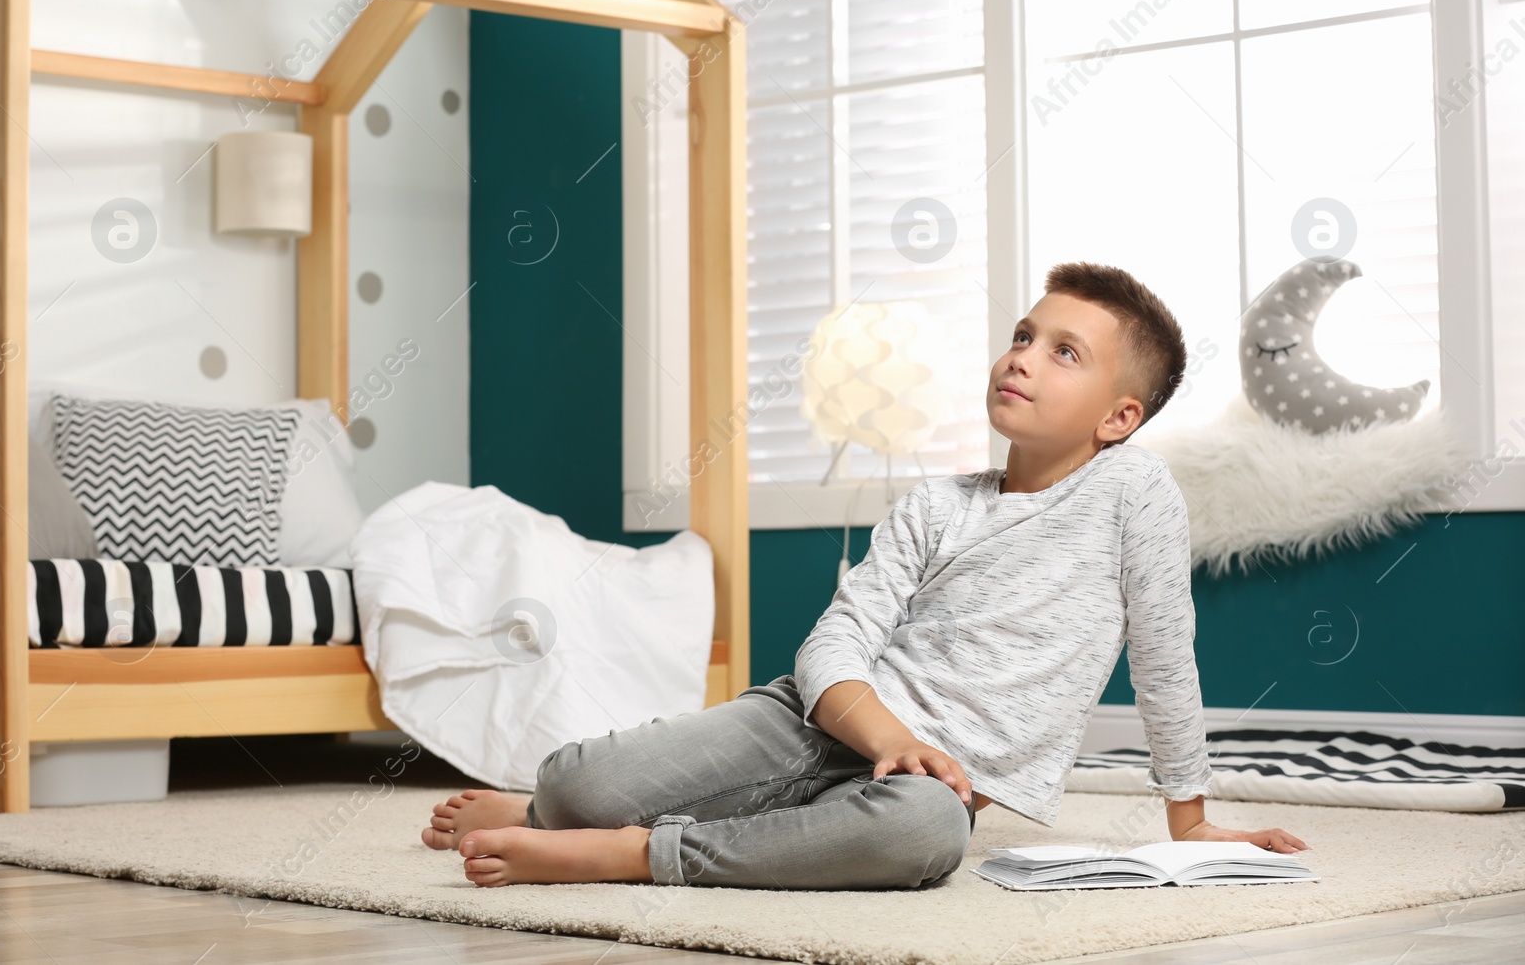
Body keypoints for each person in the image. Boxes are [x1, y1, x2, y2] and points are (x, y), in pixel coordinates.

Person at [421, 260, 1309, 889]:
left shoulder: (1134, 490)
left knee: (924, 842)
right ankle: (551, 811)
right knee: (573, 783)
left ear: (1121, 417)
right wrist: (881, 731)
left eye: (1063, 351)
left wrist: (1189, 822)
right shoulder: (937, 504)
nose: (1022, 356)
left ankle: (633, 853)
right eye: (1023, 335)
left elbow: (1165, 654)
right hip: (818, 723)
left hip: (928, 789)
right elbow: (834, 640)